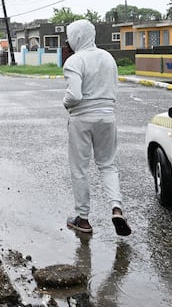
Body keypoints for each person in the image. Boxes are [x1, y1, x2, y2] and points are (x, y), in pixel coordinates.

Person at [62, 19, 131, 236]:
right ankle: (116, 208)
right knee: (108, 165)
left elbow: (74, 95)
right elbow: (114, 87)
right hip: (107, 117)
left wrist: (65, 103)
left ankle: (83, 220)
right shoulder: (108, 58)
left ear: (76, 37)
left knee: (80, 169)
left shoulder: (74, 61)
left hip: (82, 119)